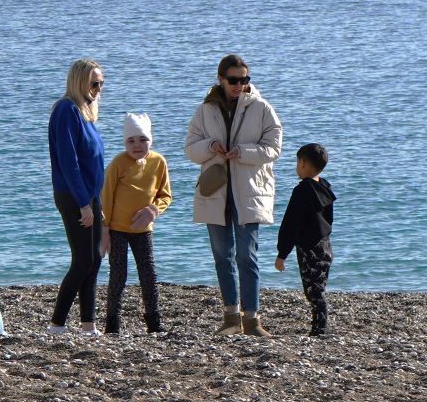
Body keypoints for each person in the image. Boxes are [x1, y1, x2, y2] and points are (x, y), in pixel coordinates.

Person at [185, 54, 282, 336]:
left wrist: (242, 152)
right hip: (215, 190)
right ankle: (231, 318)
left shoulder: (262, 108)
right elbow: (190, 149)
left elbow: (273, 148)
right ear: (221, 80)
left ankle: (252, 320)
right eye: (233, 80)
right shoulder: (206, 109)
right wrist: (210, 146)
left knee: (246, 256)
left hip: (249, 191)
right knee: (221, 256)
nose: (239, 85)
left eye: (244, 79)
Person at [47, 59, 106, 336]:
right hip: (73, 195)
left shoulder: (86, 113)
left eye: (101, 83)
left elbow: (92, 160)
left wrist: (95, 201)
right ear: (79, 81)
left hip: (90, 196)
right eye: (94, 83)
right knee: (82, 260)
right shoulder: (66, 110)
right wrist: (83, 203)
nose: (99, 88)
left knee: (94, 259)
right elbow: (69, 162)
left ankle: (88, 325)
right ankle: (57, 324)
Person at [100, 112, 172, 334]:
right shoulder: (118, 163)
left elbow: (165, 195)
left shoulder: (158, 162)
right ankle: (112, 323)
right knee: (118, 274)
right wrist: (104, 230)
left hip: (143, 230)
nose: (137, 145)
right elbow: (106, 197)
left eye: (142, 139)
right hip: (117, 230)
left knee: (148, 274)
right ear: (125, 142)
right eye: (131, 140)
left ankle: (154, 322)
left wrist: (153, 210)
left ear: (150, 140)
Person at [275, 143, 336, 337]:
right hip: (325, 244)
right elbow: (329, 218)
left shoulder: (302, 191)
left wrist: (282, 253)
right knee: (319, 287)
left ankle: (320, 329)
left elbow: (291, 223)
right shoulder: (324, 186)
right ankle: (319, 326)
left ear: (302, 163)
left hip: (309, 247)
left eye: (297, 162)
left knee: (313, 291)